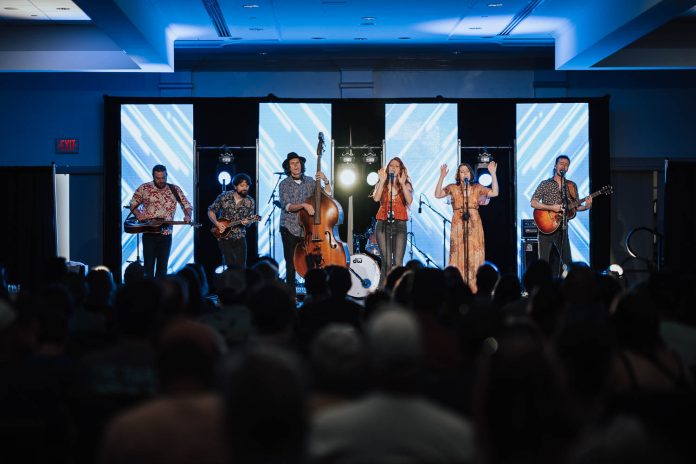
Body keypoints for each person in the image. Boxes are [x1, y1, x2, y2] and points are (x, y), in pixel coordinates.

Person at [434, 161, 498, 292]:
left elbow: (494, 193)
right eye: (462, 172)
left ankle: (475, 287)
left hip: (474, 222)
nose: (465, 174)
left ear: (471, 174)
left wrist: (493, 174)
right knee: (458, 252)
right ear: (458, 175)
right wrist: (442, 176)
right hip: (458, 222)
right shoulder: (453, 187)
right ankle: (458, 287)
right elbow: (438, 194)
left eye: (467, 171)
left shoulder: (477, 187)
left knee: (474, 253)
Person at [278, 152, 331, 297]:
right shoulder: (284, 184)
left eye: (298, 163)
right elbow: (287, 206)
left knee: (311, 262)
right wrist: (303, 205)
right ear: (288, 167)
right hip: (289, 227)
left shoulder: (310, 181)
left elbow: (327, 197)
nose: (296, 166)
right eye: (292, 163)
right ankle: (291, 296)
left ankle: (313, 294)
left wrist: (326, 181)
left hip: (307, 229)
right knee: (291, 264)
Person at [530, 155, 592, 279]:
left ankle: (569, 285)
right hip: (546, 227)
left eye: (566, 164)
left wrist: (586, 206)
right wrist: (552, 207)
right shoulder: (545, 184)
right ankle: (542, 286)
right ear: (555, 165)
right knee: (543, 263)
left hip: (562, 228)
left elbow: (575, 207)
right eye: (561, 163)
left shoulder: (571, 186)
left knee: (567, 261)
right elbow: (533, 202)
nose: (563, 166)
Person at [129, 165, 191, 278]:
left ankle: (161, 288)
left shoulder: (174, 189)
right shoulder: (144, 188)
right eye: (158, 178)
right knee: (148, 267)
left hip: (166, 233)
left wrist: (187, 215)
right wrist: (138, 214)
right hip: (149, 233)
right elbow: (133, 204)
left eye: (163, 177)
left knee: (162, 268)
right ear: (153, 176)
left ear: (167, 175)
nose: (161, 180)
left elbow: (186, 205)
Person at [372, 157, 413, 288]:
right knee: (387, 262)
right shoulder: (383, 183)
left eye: (396, 166)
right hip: (383, 224)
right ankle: (382, 291)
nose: (393, 168)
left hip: (400, 225)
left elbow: (409, 201)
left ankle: (399, 290)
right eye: (391, 165)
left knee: (398, 262)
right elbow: (376, 198)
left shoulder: (406, 184)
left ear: (401, 169)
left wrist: (402, 184)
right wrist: (381, 181)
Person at [208, 173, 256, 269]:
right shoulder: (224, 196)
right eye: (242, 186)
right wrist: (217, 223)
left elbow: (249, 221)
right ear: (235, 186)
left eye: (247, 186)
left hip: (240, 237)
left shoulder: (250, 201)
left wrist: (247, 222)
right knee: (231, 265)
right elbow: (211, 211)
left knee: (241, 268)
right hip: (224, 237)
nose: (245, 188)